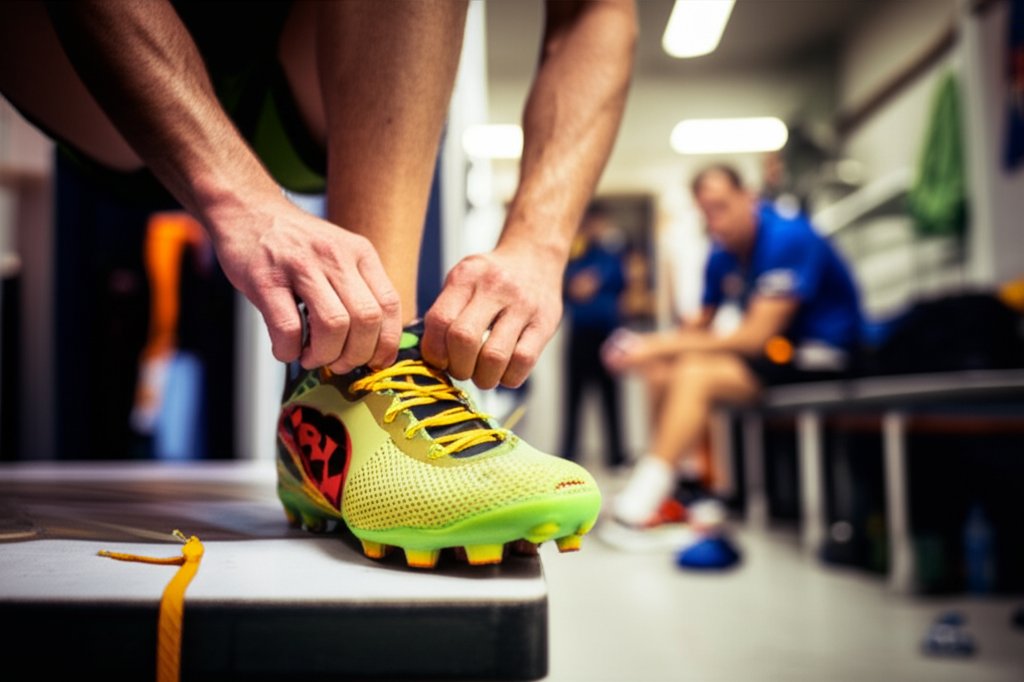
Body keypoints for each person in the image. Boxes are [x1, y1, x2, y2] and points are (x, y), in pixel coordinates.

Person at [0, 0, 637, 568]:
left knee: (367, 338)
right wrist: (237, 196)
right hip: (97, 68)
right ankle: (358, 383)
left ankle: (361, 383)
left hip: (308, 69)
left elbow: (596, 10)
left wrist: (539, 244)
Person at [603, 163, 863, 529]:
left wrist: (658, 344)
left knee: (696, 373)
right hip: (776, 354)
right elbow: (697, 326)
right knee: (662, 370)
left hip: (823, 354)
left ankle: (641, 502)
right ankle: (675, 492)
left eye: (722, 207)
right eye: (706, 212)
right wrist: (646, 350)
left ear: (748, 197)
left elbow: (756, 337)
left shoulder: (788, 236)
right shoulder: (721, 251)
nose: (716, 222)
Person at [560, 203, 627, 469]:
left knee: (611, 398)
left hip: (606, 335)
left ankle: (616, 454)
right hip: (579, 334)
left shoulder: (613, 256)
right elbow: (570, 288)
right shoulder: (575, 255)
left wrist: (589, 285)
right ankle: (568, 453)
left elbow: (618, 286)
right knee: (573, 397)